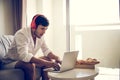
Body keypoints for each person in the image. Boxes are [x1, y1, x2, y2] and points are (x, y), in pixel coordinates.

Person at [3, 14, 61, 80]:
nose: (44, 32)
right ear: (34, 26)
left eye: (46, 29)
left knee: (48, 59)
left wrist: (58, 59)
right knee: (30, 65)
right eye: (42, 28)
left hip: (25, 60)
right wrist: (47, 63)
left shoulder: (40, 35)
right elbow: (24, 56)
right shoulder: (22, 34)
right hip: (11, 62)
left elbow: (46, 50)